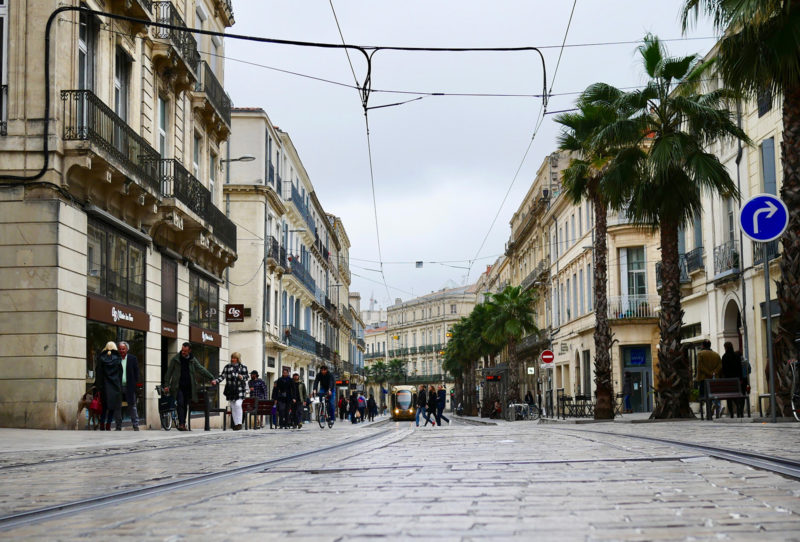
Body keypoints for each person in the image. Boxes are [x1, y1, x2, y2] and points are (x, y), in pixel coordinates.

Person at [164, 342, 215, 431]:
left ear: (189, 351)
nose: (183, 352)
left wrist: (211, 377)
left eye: (185, 351)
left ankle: (183, 423)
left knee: (185, 404)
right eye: (182, 350)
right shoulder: (175, 359)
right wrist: (166, 385)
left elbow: (201, 369)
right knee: (180, 403)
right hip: (177, 386)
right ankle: (181, 424)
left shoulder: (192, 360)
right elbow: (169, 373)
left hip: (189, 387)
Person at [215, 352, 249, 430]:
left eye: (234, 358)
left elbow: (247, 376)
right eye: (232, 358)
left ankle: (239, 423)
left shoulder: (243, 367)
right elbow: (222, 376)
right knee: (233, 407)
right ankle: (236, 424)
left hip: (240, 389)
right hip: (230, 390)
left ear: (238, 359)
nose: (232, 359)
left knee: (238, 404)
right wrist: (216, 381)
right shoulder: (227, 367)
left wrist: (242, 377)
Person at [94, 341, 123, 431]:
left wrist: (98, 387)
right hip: (114, 387)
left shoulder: (101, 358)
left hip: (104, 387)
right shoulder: (118, 358)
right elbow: (120, 374)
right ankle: (108, 425)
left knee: (104, 407)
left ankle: (102, 424)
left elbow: (98, 374)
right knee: (112, 407)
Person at [696, 339, 722, 420]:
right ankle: (711, 409)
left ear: (703, 346)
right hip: (714, 379)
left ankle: (708, 414)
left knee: (704, 397)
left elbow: (700, 366)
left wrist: (708, 373)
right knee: (712, 395)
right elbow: (720, 366)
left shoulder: (700, 354)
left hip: (704, 378)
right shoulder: (716, 355)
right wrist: (713, 372)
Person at [117, 342, 140, 431]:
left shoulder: (132, 359)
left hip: (129, 387)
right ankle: (118, 426)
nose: (121, 350)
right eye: (120, 349)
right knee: (117, 406)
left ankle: (136, 425)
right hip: (118, 387)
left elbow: (136, 372)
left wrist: (135, 384)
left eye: (123, 349)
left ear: (127, 349)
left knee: (132, 406)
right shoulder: (116, 359)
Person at [721, 342, 744, 418]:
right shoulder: (737, 356)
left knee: (729, 397)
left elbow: (724, 370)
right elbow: (740, 369)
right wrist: (740, 379)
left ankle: (731, 414)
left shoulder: (724, 357)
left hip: (728, 381)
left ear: (725, 348)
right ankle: (739, 410)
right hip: (736, 380)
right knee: (736, 395)